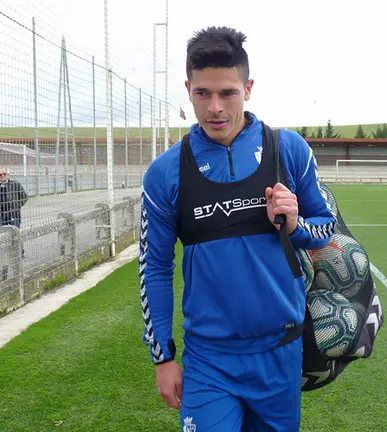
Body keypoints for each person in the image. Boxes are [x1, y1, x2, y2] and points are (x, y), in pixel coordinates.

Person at [139, 26, 337, 431]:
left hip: (280, 352)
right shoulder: (165, 173)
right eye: (202, 93)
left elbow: (327, 228)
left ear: (248, 89)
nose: (215, 107)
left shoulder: (288, 150)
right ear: (188, 90)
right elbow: (154, 267)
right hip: (208, 359)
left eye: (227, 93)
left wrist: (296, 224)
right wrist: (163, 357)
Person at [0, 168, 27, 262]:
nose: (3, 176)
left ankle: (20, 252)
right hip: (1, 215)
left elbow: (24, 197)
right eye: (0, 174)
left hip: (14, 214)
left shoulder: (16, 185)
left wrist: (16, 206)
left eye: (4, 174)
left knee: (15, 234)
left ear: (7, 174)